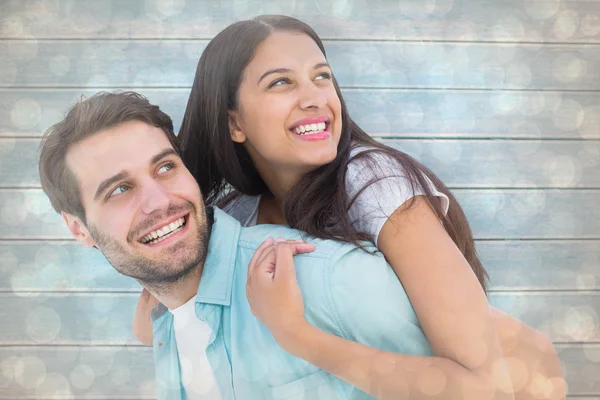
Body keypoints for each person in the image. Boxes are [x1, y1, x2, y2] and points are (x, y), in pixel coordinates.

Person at [132, 15, 565, 399]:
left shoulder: (372, 182)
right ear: (233, 123)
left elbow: (487, 388)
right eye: (281, 82)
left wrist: (295, 334)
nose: (315, 97)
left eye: (322, 77)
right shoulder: (238, 213)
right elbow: (151, 326)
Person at [40, 91, 522, 399]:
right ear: (78, 229)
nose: (160, 201)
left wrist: (300, 337)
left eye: (165, 167)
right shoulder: (162, 323)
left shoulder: (326, 277)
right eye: (119, 190)